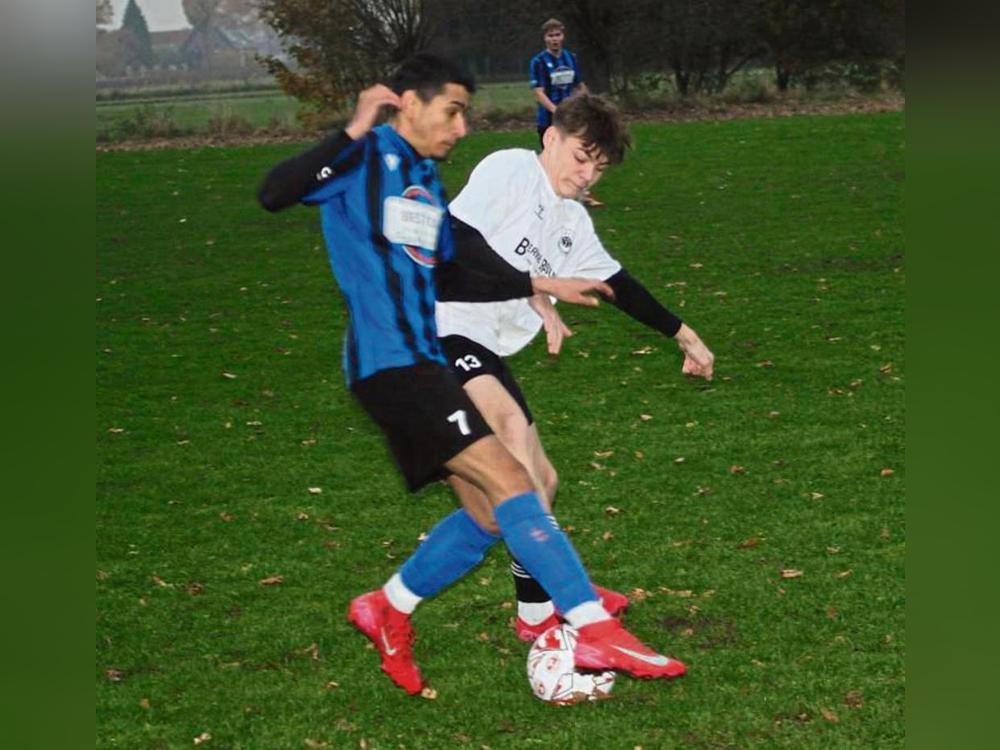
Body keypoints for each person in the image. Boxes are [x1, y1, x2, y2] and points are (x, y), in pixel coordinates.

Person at [256, 53, 686, 695]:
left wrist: (539, 284)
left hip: (420, 361)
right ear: (408, 102)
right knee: (514, 477)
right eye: (453, 110)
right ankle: (591, 626)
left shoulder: (424, 182)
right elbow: (274, 192)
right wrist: (351, 128)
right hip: (391, 363)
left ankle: (388, 606)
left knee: (489, 515)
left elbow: (455, 268)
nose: (462, 127)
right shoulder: (364, 158)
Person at [436, 93, 716, 642]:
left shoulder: (572, 223)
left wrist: (685, 336)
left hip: (482, 343)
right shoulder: (511, 169)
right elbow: (454, 242)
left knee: (542, 482)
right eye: (581, 158)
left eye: (599, 168)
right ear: (551, 138)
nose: (587, 175)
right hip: (438, 326)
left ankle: (539, 608)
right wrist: (530, 286)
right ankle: (561, 609)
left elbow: (617, 286)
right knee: (515, 459)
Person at [529, 18, 603, 208]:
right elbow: (539, 92)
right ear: (545, 38)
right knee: (552, 158)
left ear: (563, 36)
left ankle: (582, 194)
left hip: (572, 118)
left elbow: (579, 85)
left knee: (580, 154)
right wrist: (556, 111)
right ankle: (547, 195)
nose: (555, 39)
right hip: (549, 120)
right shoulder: (538, 62)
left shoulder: (571, 58)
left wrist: (587, 103)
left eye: (558, 34)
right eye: (550, 35)